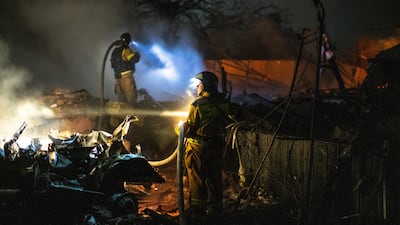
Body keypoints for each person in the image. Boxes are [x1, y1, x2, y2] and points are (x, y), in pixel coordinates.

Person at [180, 71, 236, 223]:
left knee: (197, 181)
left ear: (204, 86)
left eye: (198, 84)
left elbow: (190, 129)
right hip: (216, 148)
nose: (197, 87)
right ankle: (215, 211)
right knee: (214, 180)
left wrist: (179, 129)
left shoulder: (197, 105)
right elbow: (236, 115)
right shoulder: (223, 104)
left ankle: (197, 213)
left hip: (197, 149)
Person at [111, 32, 141, 106]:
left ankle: (123, 116)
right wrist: (137, 55)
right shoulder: (126, 49)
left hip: (118, 78)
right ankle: (131, 116)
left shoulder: (115, 51)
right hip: (126, 77)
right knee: (131, 98)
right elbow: (133, 59)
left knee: (122, 100)